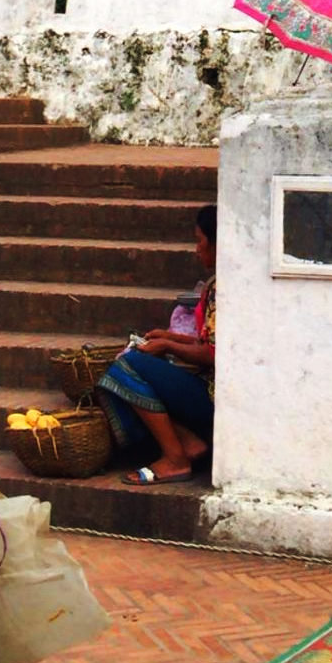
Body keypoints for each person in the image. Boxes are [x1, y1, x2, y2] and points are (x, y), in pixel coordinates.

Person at [96, 204, 217, 485]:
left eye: (200, 241)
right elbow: (210, 341)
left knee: (126, 367)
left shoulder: (224, 289)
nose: (196, 249)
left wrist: (167, 347)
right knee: (131, 362)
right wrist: (170, 337)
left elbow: (215, 355)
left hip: (214, 397)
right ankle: (189, 443)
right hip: (207, 386)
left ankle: (175, 459)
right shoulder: (217, 284)